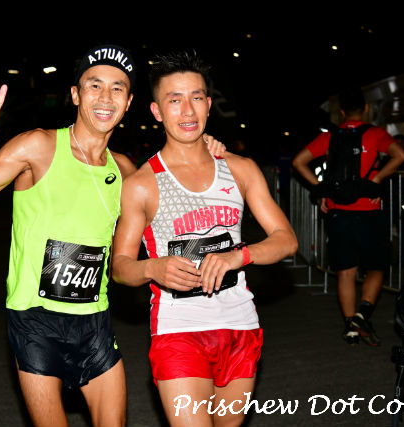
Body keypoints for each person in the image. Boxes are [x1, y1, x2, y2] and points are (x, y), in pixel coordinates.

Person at [0, 44, 227, 427]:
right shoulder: (39, 147)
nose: (105, 98)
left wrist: (203, 148)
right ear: (75, 94)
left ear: (128, 103)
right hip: (35, 320)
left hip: (94, 322)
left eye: (117, 88)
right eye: (95, 86)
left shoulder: (125, 171)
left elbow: (178, 211)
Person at [111, 50, 297, 427]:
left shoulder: (240, 169)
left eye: (196, 97)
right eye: (174, 100)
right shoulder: (141, 184)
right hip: (178, 330)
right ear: (156, 111)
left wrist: (238, 256)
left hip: (240, 325)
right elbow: (120, 267)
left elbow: (286, 240)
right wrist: (153, 268)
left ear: (209, 105)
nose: (187, 110)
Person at [292, 88, 404, 346]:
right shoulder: (375, 134)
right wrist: (376, 180)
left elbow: (299, 162)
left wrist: (321, 190)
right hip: (368, 211)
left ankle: (350, 329)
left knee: (346, 271)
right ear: (365, 108)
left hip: (338, 212)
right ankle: (362, 315)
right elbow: (399, 155)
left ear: (342, 111)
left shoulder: (330, 137)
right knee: (377, 267)